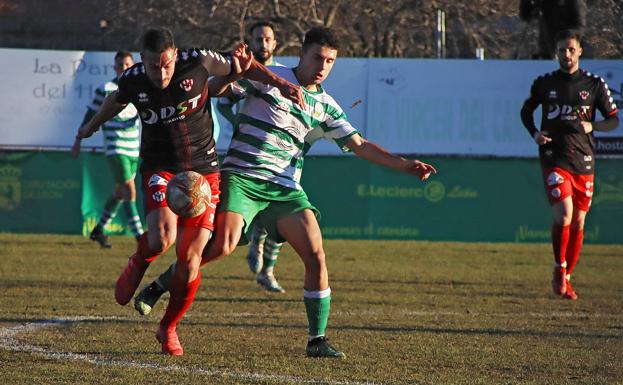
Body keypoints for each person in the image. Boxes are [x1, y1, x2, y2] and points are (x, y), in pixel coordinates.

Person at [135, 27, 437, 358]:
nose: (323, 66)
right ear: (302, 54)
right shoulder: (270, 76)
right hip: (241, 177)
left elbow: (361, 146)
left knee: (315, 253)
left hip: (284, 188)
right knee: (221, 245)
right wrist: (234, 70)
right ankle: (161, 284)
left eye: (330, 61)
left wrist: (405, 164)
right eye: (317, 57)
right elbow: (218, 91)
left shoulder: (327, 107)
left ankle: (316, 340)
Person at [75, 27, 303, 356]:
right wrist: (93, 124)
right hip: (160, 167)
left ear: (175, 55)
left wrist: (283, 84)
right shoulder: (134, 78)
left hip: (203, 170)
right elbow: (116, 99)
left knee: (190, 261)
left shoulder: (197, 61)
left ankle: (168, 327)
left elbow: (245, 66)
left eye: (167, 64)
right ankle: (139, 260)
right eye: (154, 66)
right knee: (162, 238)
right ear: (144, 61)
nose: (162, 72)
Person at [520, 29, 619, 300]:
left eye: (571, 49)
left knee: (578, 221)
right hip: (554, 156)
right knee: (564, 214)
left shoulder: (594, 84)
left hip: (584, 159)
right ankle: (559, 267)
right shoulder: (544, 83)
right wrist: (535, 134)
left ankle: (567, 275)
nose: (566, 54)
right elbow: (526, 111)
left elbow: (613, 119)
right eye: (562, 50)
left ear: (580, 51)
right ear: (556, 52)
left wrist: (593, 124)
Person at [71, 51, 144, 248]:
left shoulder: (139, 89)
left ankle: (99, 230)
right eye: (120, 64)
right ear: (114, 67)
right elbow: (90, 114)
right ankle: (140, 237)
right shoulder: (107, 89)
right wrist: (78, 140)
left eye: (127, 64)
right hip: (115, 148)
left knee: (120, 193)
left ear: (133, 65)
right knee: (129, 190)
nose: (124, 67)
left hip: (133, 150)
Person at [519, 0, 586, 59]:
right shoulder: (544, 3)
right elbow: (525, 15)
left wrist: (564, 47)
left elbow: (579, 27)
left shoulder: (573, 2)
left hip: (568, 53)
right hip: (546, 52)